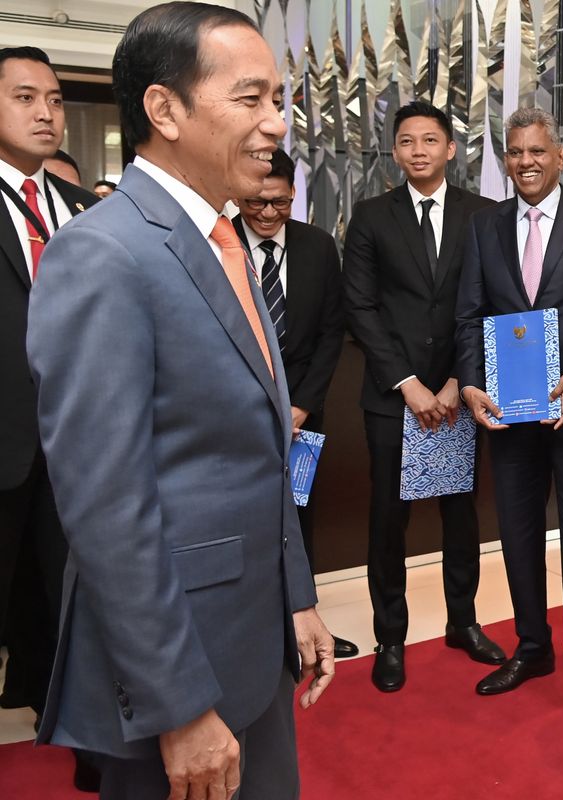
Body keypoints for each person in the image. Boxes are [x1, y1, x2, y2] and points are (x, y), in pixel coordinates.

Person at [26, 4, 334, 797]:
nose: (276, 124)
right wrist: (178, 705)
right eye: (252, 99)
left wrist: (295, 596)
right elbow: (106, 507)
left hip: (254, 633)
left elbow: (261, 449)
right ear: (165, 110)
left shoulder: (223, 237)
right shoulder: (103, 253)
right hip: (179, 669)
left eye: (278, 100)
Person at [455, 107, 563, 709]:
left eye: (536, 151)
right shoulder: (484, 226)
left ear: (560, 155)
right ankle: (532, 646)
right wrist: (472, 383)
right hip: (508, 413)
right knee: (517, 534)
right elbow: (470, 314)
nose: (525, 162)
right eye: (515, 152)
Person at [343, 100, 502, 693]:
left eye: (429, 141)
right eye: (406, 141)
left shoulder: (482, 215)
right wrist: (409, 384)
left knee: (460, 515)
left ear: (450, 149)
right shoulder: (371, 217)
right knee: (389, 519)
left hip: (460, 392)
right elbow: (359, 307)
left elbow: (487, 301)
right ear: (394, 150)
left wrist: (458, 383)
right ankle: (391, 637)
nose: (418, 151)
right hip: (393, 396)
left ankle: (463, 622)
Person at [0, 44, 99, 791]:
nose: (45, 112)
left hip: (78, 443)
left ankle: (82, 735)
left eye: (55, 99)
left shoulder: (82, 210)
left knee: (76, 596)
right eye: (25, 98)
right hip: (4, 440)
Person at [233, 146, 358, 660]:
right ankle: (250, 632)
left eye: (279, 204)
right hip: (237, 412)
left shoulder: (317, 246)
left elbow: (332, 333)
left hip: (302, 414)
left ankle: (302, 625)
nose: (266, 214)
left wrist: (301, 406)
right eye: (255, 203)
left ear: (294, 196)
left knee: (298, 518)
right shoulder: (216, 245)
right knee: (242, 519)